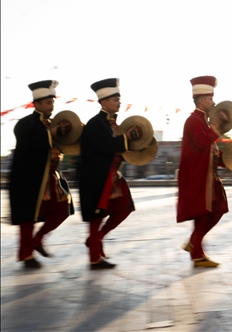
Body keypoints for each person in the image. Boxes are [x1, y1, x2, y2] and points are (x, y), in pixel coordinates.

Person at [10, 80, 74, 269]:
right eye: (47, 102)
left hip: (50, 178)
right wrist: (52, 133)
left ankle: (37, 239)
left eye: (52, 102)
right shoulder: (24, 124)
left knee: (64, 208)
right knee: (27, 217)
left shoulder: (52, 124)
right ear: (36, 104)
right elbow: (28, 144)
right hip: (29, 179)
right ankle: (26, 255)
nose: (51, 106)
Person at [78, 78, 141, 269]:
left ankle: (95, 239)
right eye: (115, 99)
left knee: (124, 208)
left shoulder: (112, 124)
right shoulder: (95, 124)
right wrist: (125, 138)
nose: (119, 102)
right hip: (97, 177)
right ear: (104, 102)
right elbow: (101, 146)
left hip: (112, 175)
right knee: (97, 215)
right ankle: (94, 257)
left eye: (119, 99)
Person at [176, 76, 229, 267]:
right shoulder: (193, 120)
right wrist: (215, 125)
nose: (213, 103)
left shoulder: (203, 122)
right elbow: (201, 142)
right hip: (197, 177)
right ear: (201, 100)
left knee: (219, 207)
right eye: (210, 99)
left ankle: (194, 245)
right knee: (203, 213)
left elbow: (211, 149)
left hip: (207, 176)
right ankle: (197, 253)